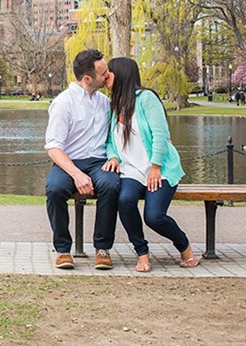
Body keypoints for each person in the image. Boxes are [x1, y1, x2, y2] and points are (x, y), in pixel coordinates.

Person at [101, 57, 199, 272]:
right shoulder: (114, 106)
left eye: (109, 73)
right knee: (125, 200)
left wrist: (155, 166)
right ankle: (142, 253)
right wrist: (113, 157)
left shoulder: (146, 99)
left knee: (154, 217)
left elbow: (161, 134)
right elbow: (110, 141)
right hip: (131, 171)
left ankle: (184, 246)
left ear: (122, 74)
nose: (105, 76)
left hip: (160, 169)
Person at [44, 48, 120, 271]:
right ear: (88, 79)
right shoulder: (63, 103)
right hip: (69, 161)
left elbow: (113, 136)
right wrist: (76, 174)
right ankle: (63, 250)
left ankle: (103, 248)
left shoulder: (104, 103)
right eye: (103, 73)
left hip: (98, 161)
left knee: (111, 184)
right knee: (55, 189)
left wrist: (114, 155)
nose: (108, 75)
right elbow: (54, 147)